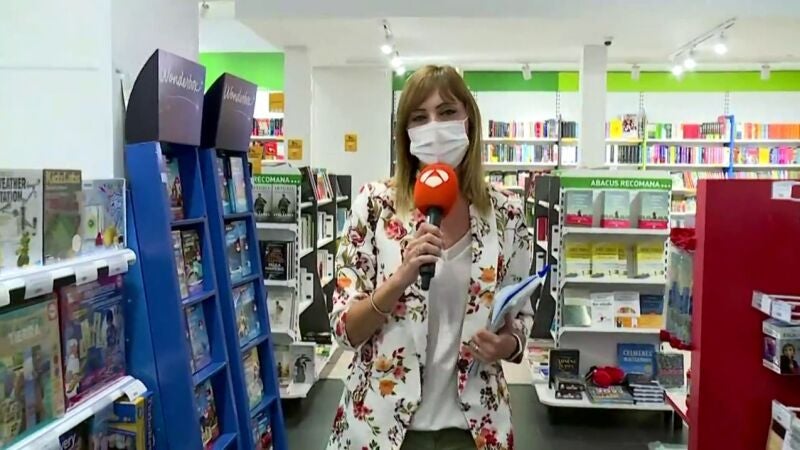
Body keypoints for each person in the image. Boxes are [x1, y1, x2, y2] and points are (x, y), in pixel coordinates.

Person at [328, 65, 533, 450]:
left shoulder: (507, 214)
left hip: (475, 428)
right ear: (405, 133)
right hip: (380, 426)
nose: (434, 127)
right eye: (419, 117)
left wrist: (507, 345)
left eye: (447, 112)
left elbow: (520, 315)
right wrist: (399, 279)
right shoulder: (374, 206)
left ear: (469, 120)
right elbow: (344, 329)